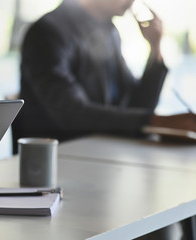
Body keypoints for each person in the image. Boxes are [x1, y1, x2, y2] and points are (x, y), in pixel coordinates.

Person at [12, 0, 196, 154]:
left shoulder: (109, 31)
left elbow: (137, 106)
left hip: (103, 154)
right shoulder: (48, 32)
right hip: (60, 160)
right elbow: (73, 114)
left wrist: (155, 49)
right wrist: (156, 121)